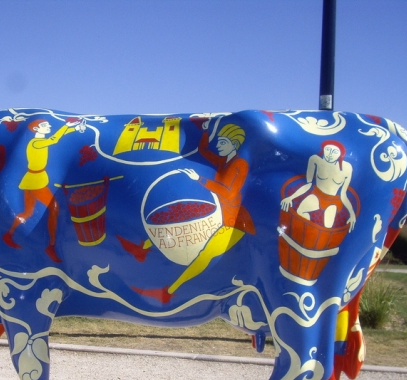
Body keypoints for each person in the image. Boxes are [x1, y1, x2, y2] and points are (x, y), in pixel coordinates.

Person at [134, 122, 255, 303]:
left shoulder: (240, 164)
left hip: (235, 222)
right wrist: (206, 130)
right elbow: (204, 151)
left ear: (234, 144)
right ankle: (141, 249)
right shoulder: (225, 162)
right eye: (219, 142)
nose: (219, 146)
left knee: (205, 254)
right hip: (222, 216)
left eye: (223, 143)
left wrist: (199, 179)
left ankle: (169, 291)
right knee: (184, 228)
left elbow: (229, 192)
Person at [2, 118, 84, 262]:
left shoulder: (39, 141)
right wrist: (66, 126)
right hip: (35, 181)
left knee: (28, 212)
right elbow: (53, 140)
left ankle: (9, 235)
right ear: (36, 129)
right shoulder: (35, 143)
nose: (49, 126)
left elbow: (54, 138)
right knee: (54, 208)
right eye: (45, 125)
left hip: (36, 178)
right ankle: (51, 245)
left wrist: (74, 129)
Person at [280, 140, 355, 231]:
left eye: (335, 152)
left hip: (333, 201)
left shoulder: (347, 168)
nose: (330, 154)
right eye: (328, 149)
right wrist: (290, 197)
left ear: (340, 154)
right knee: (300, 212)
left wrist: (352, 214)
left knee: (327, 228)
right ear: (323, 150)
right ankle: (305, 235)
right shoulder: (315, 160)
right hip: (316, 194)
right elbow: (308, 184)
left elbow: (343, 193)